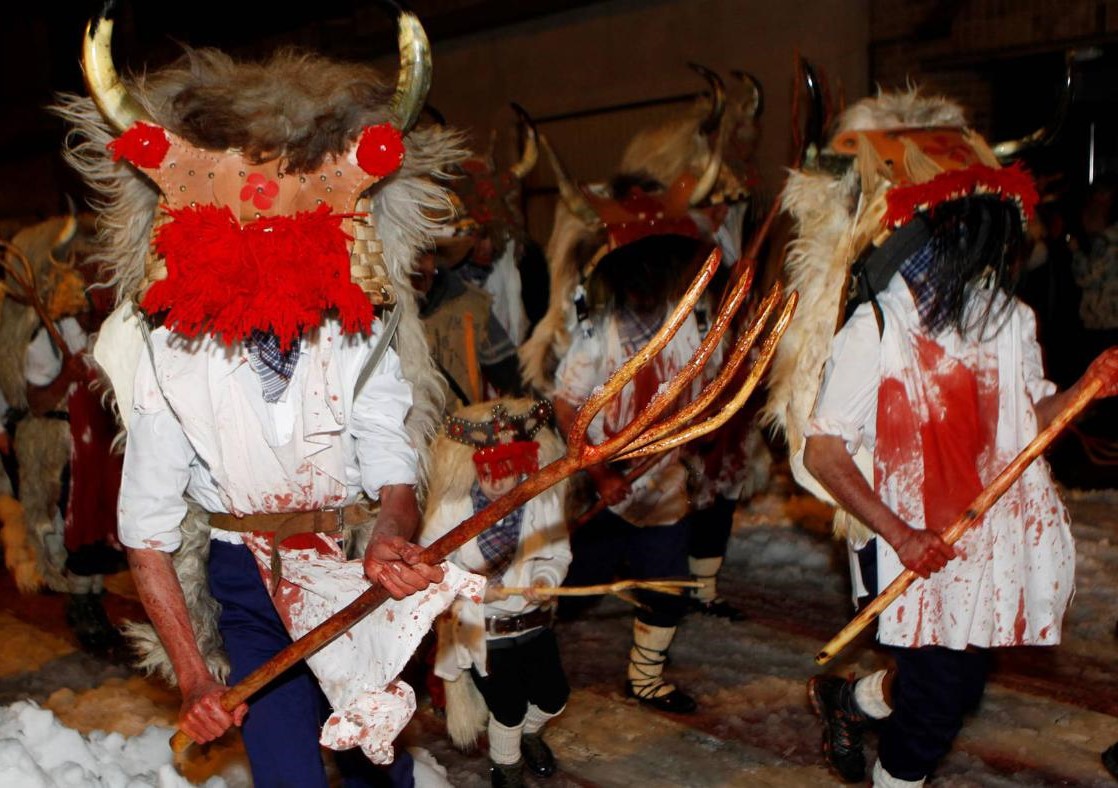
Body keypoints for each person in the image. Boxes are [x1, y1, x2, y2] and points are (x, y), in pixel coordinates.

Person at [59, 5, 472, 784]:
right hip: (245, 581)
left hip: (357, 569)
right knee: (287, 772)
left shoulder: (356, 323)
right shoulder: (167, 348)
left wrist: (390, 530)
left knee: (380, 764)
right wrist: (192, 675)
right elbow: (145, 536)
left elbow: (389, 449)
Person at [772, 91, 1118, 786]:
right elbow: (825, 450)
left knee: (958, 689)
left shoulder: (1010, 321)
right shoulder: (875, 330)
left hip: (984, 536)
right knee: (934, 706)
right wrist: (899, 533)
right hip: (906, 542)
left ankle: (853, 698)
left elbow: (1028, 421)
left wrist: (1080, 392)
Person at [552, 213, 706, 714]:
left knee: (668, 584)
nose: (645, 288)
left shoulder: (685, 325)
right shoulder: (598, 333)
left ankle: (645, 678)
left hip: (663, 485)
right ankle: (528, 655)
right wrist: (599, 472)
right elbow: (566, 403)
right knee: (571, 584)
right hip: (605, 487)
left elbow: (702, 395)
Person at [423, 398, 570, 788]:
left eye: (508, 470)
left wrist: (546, 579)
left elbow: (558, 553)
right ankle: (506, 766)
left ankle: (528, 735)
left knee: (554, 696)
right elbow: (430, 569)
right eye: (488, 471)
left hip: (534, 623)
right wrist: (475, 588)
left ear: (524, 464)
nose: (497, 482)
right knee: (507, 705)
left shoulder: (543, 499)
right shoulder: (450, 509)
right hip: (480, 630)